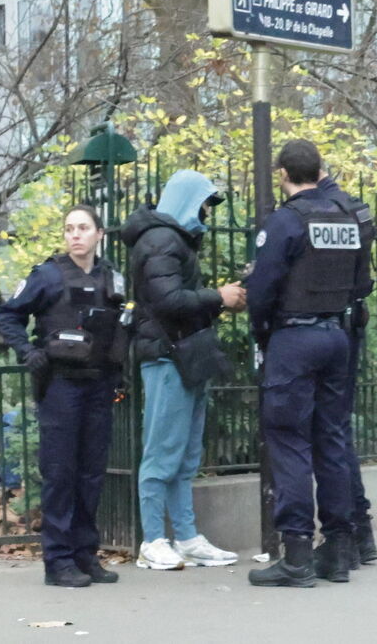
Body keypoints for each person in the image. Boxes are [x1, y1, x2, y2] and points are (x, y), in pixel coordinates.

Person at [246, 140, 373, 588]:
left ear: (283, 174)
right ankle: (338, 550)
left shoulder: (286, 221)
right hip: (337, 335)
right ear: (320, 171)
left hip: (294, 338)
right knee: (332, 440)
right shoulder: (346, 217)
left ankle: (296, 553)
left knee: (289, 441)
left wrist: (263, 332)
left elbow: (261, 290)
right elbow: (362, 281)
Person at [0, 204, 129, 588]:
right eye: (69, 228)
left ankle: (86, 555)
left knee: (91, 473)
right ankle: (58, 561)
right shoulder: (48, 276)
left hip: (99, 384)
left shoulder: (112, 278)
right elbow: (9, 316)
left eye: (83, 228)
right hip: (60, 385)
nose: (75, 234)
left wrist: (118, 368)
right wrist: (27, 352)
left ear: (98, 234)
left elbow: (121, 326)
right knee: (60, 473)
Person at [121, 169, 245, 570]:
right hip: (167, 358)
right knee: (163, 453)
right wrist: (219, 297)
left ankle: (186, 537)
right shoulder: (160, 240)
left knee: (185, 455)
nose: (207, 212)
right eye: (205, 204)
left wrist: (214, 298)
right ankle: (153, 539)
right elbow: (168, 299)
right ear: (189, 201)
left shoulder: (171, 240)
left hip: (180, 357)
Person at [315, 171, 377, 568]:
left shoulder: (318, 211)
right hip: (349, 324)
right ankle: (361, 531)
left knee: (331, 432)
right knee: (340, 430)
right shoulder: (357, 208)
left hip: (322, 325)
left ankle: (352, 531)